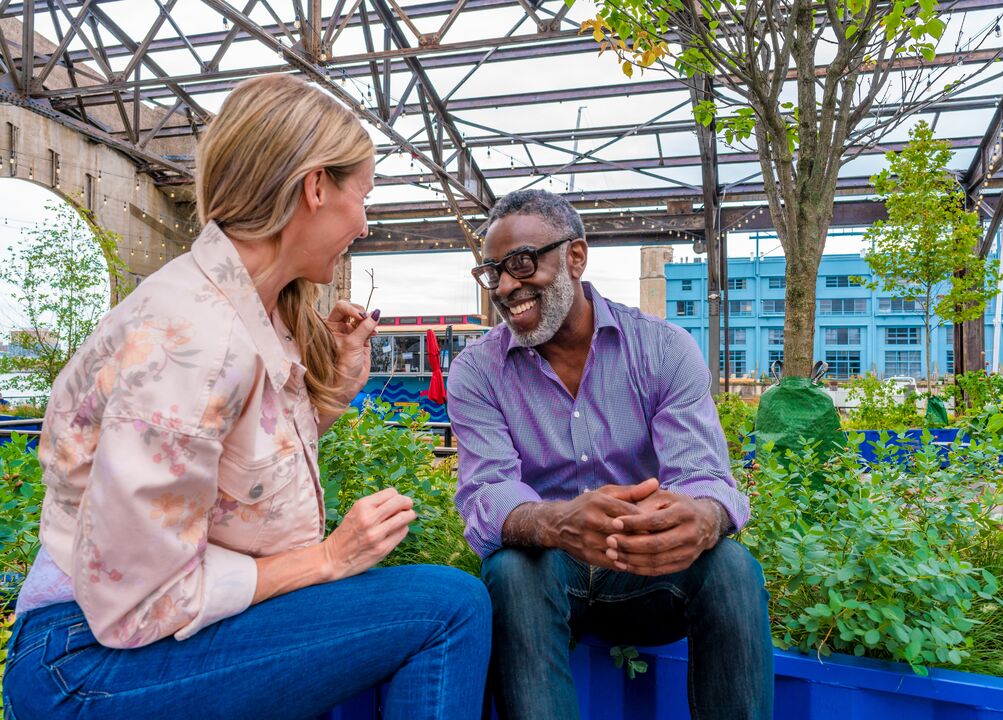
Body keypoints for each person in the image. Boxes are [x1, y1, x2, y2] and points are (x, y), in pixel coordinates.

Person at [2, 74, 490, 720]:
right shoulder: (198, 339)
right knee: (450, 608)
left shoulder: (249, 313)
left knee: (442, 603)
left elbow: (225, 480)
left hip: (103, 645)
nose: (365, 223)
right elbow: (141, 604)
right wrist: (329, 559)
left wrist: (333, 394)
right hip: (85, 664)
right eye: (361, 196)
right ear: (315, 187)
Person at [448, 189, 773, 720]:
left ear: (575, 256)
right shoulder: (479, 372)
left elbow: (705, 476)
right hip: (547, 580)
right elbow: (485, 492)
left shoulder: (662, 349)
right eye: (493, 272)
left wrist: (703, 516)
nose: (507, 287)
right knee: (513, 571)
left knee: (732, 568)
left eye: (523, 264)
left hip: (646, 572)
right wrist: (556, 522)